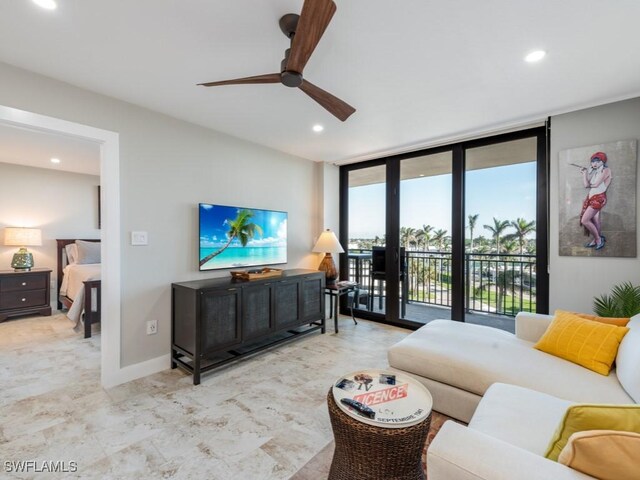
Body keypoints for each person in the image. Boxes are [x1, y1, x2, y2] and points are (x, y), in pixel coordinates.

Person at [579, 151, 612, 250]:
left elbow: (596, 185)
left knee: (585, 220)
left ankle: (598, 239)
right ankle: (596, 239)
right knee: (595, 220)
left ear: (603, 161)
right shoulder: (596, 172)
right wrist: (584, 174)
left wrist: (589, 185)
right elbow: (586, 185)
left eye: (597, 161)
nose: (594, 164)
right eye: (593, 162)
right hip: (591, 197)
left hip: (598, 198)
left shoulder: (606, 170)